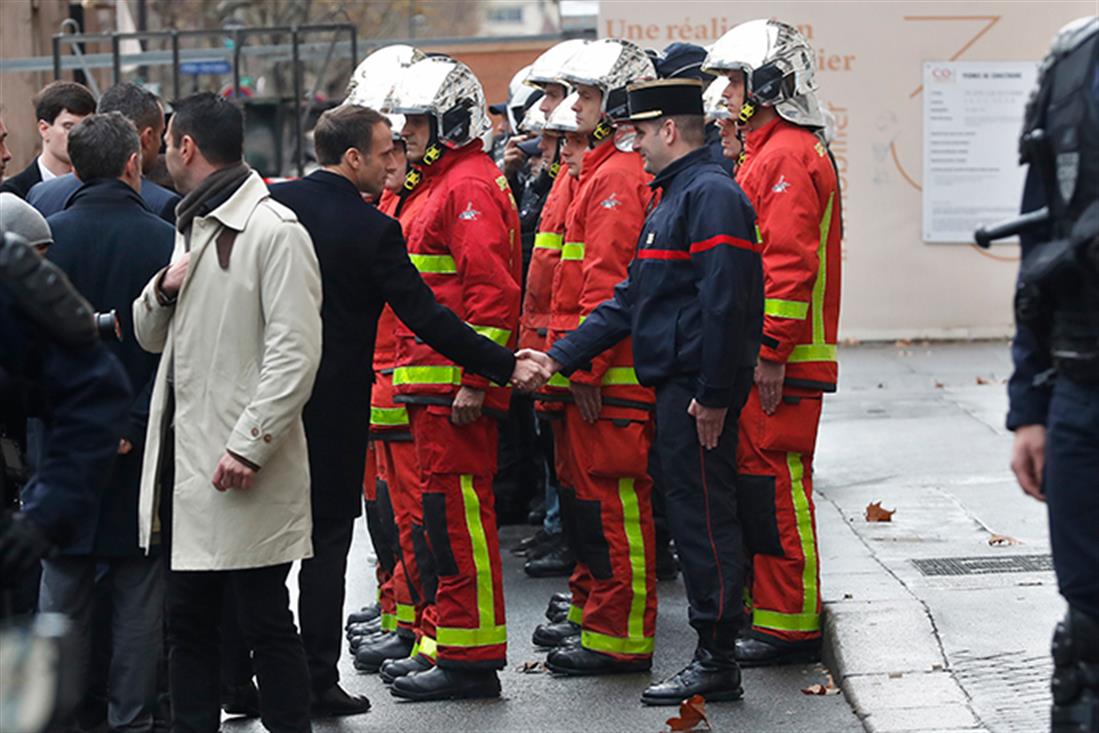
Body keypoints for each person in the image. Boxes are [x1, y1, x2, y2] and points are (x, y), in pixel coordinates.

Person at [268, 104, 526, 715]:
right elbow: (427, 312)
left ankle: (255, 679)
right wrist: (501, 367)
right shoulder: (378, 218)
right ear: (353, 155)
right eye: (390, 145)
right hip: (350, 405)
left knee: (273, 552)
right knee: (337, 548)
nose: (400, 153)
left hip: (296, 404)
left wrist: (485, 374)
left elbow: (481, 294)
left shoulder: (280, 209)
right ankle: (315, 679)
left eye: (407, 136)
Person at [515, 76, 763, 705]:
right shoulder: (677, 195)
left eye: (643, 133)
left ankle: (716, 656)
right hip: (679, 388)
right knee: (691, 512)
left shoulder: (707, 196)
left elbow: (728, 303)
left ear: (671, 130)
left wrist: (711, 393)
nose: (636, 145)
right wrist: (558, 358)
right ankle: (714, 653)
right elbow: (631, 299)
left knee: (706, 519)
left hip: (694, 393)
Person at [132, 92, 322, 733]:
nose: (159, 153)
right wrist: (161, 288)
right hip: (192, 468)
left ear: (185, 146)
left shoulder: (273, 230)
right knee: (188, 623)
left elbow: (294, 354)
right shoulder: (194, 224)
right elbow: (149, 335)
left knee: (265, 619)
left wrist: (249, 445)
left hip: (237, 468)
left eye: (166, 142)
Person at [377, 57, 522, 702]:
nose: (406, 131)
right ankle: (450, 642)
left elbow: (492, 295)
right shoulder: (437, 183)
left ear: (449, 122)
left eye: (416, 120)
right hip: (428, 391)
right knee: (441, 521)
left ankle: (472, 656)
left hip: (453, 394)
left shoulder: (466, 187)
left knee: (460, 521)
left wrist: (475, 380)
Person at [703, 19, 843, 667]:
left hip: (783, 363)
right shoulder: (768, 151)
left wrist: (770, 351)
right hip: (773, 358)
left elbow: (786, 266)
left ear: (765, 84)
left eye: (733, 81)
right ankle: (776, 613)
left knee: (777, 489)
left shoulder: (786, 154)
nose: (724, 93)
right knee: (761, 487)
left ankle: (791, 624)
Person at [524, 39, 662, 679]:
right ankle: (594, 617)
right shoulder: (600, 172)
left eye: (584, 96)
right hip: (587, 372)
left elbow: (606, 286)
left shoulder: (616, 177)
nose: (572, 108)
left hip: (607, 377)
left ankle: (622, 636)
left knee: (612, 506)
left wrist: (583, 370)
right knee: (587, 506)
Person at [34, 111, 174, 733]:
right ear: (131, 163)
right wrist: (134, 422)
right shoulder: (165, 241)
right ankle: (132, 720)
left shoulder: (42, 245)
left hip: (64, 445)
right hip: (142, 445)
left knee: (61, 590)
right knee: (140, 590)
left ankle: (55, 717)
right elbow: (178, 354)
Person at [1000, 16, 1099, 732]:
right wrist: (1029, 401)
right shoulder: (1073, 61)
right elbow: (1039, 245)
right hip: (1080, 386)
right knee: (1087, 628)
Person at [514, 39, 588, 577]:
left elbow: (601, 284)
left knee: (600, 498)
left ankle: (610, 622)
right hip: (557, 357)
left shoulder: (600, 177)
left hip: (578, 362)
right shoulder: (569, 173)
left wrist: (580, 362)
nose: (547, 110)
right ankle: (592, 602)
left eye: (563, 96)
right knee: (578, 486)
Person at [28, 82, 180, 223]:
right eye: (160, 134)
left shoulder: (41, 195)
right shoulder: (164, 204)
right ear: (147, 138)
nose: (161, 144)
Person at [0, 82, 96, 199]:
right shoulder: (13, 193)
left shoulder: (101, 187)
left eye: (88, 126)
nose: (81, 135)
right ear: (44, 129)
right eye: (69, 127)